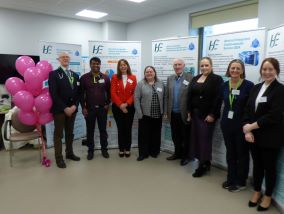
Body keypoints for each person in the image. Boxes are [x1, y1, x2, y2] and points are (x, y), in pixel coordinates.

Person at [243, 57, 284, 211]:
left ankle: (267, 196)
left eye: (270, 69)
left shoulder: (280, 90)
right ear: (261, 71)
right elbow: (247, 109)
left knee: (269, 167)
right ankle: (257, 191)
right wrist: (247, 129)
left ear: (276, 71)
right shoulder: (256, 87)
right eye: (264, 69)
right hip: (253, 136)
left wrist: (250, 127)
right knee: (258, 166)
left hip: (271, 137)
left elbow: (273, 115)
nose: (267, 72)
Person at [220, 59, 254, 192]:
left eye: (238, 68)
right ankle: (231, 178)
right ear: (229, 69)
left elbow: (250, 108)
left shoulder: (249, 85)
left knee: (242, 154)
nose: (234, 70)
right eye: (232, 68)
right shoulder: (224, 85)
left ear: (242, 70)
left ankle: (241, 181)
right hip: (227, 124)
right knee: (230, 153)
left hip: (241, 125)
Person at [187, 56, 223, 177]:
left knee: (204, 140)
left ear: (211, 66)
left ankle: (202, 165)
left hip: (207, 116)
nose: (204, 67)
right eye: (202, 65)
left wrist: (212, 114)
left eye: (206, 65)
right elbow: (189, 95)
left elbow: (218, 99)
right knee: (196, 139)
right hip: (195, 114)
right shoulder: (195, 78)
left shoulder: (217, 79)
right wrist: (188, 111)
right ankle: (204, 162)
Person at [48, 52, 81, 168]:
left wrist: (74, 106)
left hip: (72, 110)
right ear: (59, 59)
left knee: (70, 133)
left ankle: (69, 153)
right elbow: (53, 94)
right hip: (60, 110)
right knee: (58, 134)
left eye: (67, 57)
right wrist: (64, 108)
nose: (65, 58)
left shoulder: (75, 75)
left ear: (70, 59)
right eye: (63, 57)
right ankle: (59, 158)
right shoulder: (53, 74)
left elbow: (78, 94)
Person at [80, 57, 111, 160]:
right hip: (90, 109)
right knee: (90, 131)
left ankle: (104, 149)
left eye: (97, 64)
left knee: (103, 130)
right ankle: (90, 151)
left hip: (102, 109)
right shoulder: (84, 78)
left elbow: (109, 92)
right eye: (93, 63)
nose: (95, 65)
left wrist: (107, 103)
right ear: (90, 65)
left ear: (100, 65)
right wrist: (83, 107)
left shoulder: (105, 78)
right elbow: (81, 95)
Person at [134, 66, 165, 161]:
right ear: (145, 74)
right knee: (144, 135)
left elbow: (165, 98)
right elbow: (136, 99)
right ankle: (143, 153)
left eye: (151, 71)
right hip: (145, 115)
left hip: (157, 114)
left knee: (156, 134)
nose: (149, 73)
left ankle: (154, 152)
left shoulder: (160, 83)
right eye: (147, 72)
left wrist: (164, 112)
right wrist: (139, 113)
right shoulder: (140, 84)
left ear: (154, 73)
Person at [166, 58, 192, 166]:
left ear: (183, 66)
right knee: (175, 135)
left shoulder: (190, 78)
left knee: (185, 136)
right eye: (175, 65)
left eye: (179, 64)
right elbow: (167, 96)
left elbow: (192, 96)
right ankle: (177, 153)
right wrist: (166, 111)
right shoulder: (170, 78)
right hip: (173, 113)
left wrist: (190, 112)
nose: (177, 66)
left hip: (185, 113)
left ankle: (186, 156)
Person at [111, 59, 137, 157]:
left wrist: (126, 104)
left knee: (128, 128)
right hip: (117, 107)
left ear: (127, 66)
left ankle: (128, 148)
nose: (123, 66)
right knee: (120, 128)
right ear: (118, 67)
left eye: (124, 64)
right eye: (121, 65)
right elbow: (112, 93)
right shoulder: (114, 77)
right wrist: (121, 105)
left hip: (129, 107)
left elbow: (135, 93)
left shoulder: (133, 77)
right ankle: (121, 148)